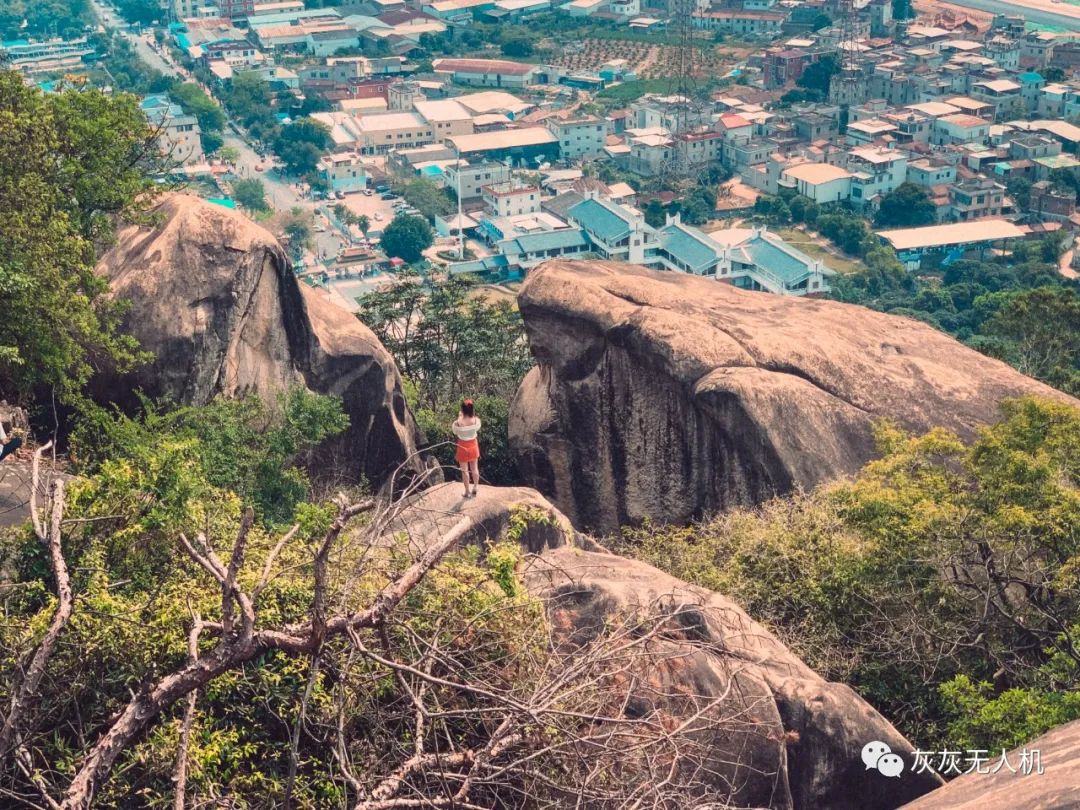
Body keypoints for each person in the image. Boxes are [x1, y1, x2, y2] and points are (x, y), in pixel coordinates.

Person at [452, 399, 481, 498]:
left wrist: (459, 416)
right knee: (474, 468)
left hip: (462, 446)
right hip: (473, 445)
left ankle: (467, 491)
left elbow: (455, 432)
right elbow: (477, 428)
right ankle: (475, 487)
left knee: (464, 471)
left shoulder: (458, 422)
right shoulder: (476, 420)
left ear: (462, 410)